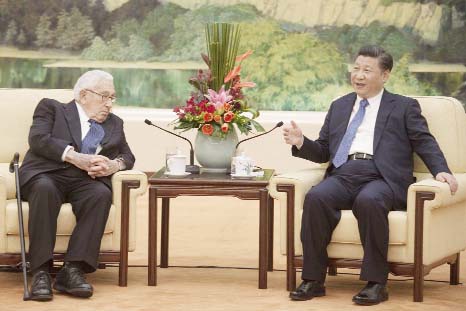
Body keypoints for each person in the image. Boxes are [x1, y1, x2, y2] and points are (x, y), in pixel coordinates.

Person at [282, 45, 458, 305]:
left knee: (370, 201)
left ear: (384, 75)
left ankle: (376, 283)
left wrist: (441, 170)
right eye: (356, 69)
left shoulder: (404, 106)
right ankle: (313, 280)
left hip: (381, 177)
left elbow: (424, 141)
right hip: (344, 173)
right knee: (316, 197)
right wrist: (300, 142)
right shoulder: (340, 106)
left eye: (367, 70)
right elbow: (323, 152)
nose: (359, 75)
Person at [19, 70, 135, 301]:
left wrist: (113, 165)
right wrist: (74, 156)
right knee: (45, 189)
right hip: (47, 173)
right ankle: (41, 271)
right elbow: (38, 139)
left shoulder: (115, 124)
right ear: (84, 95)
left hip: (85, 181)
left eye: (113, 98)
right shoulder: (52, 109)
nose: (109, 104)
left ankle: (72, 270)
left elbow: (128, 156)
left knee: (101, 194)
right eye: (104, 96)